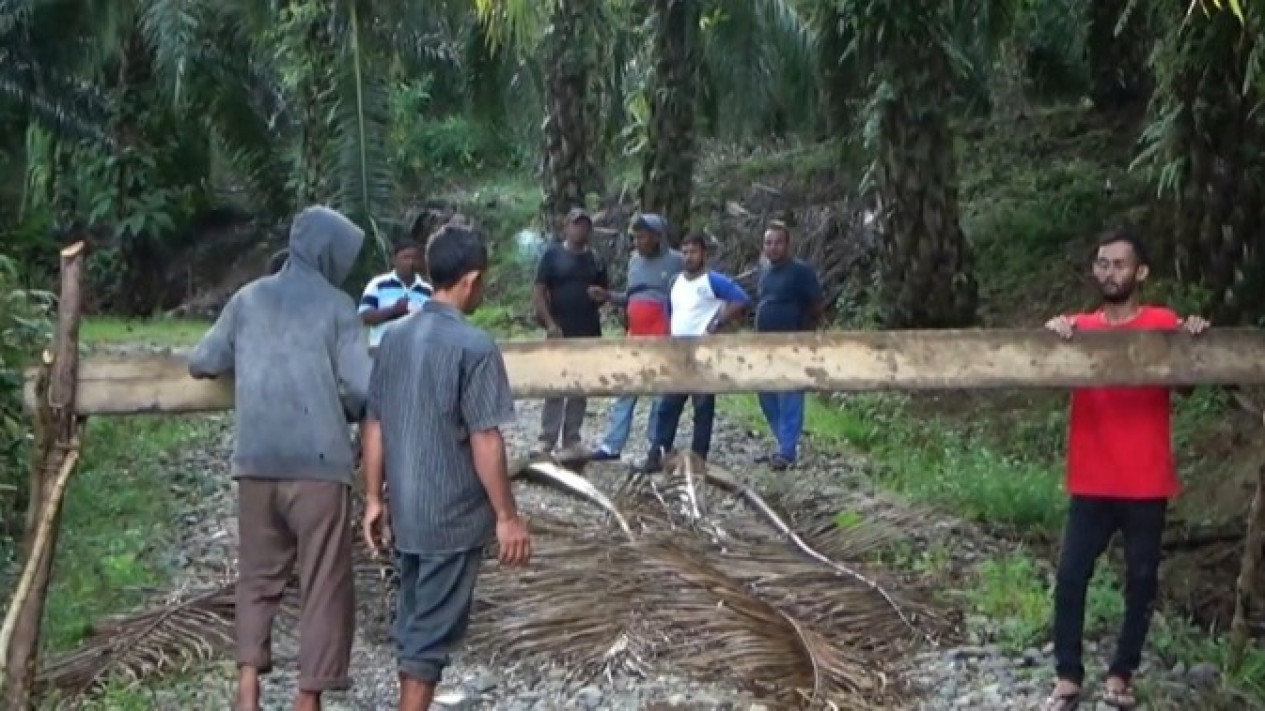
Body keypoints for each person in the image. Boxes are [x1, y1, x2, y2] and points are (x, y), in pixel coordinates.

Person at [188, 205, 371, 711]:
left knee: (257, 577)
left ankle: (248, 687)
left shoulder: (247, 299)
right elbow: (362, 387)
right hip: (320, 467)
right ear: (329, 254)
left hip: (256, 462)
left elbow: (202, 361)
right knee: (324, 581)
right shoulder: (338, 307)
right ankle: (307, 697)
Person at [360, 222, 531, 711]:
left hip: (406, 511)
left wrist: (373, 498)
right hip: (450, 518)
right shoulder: (474, 346)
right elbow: (485, 438)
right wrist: (507, 517)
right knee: (427, 642)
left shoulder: (395, 339)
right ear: (471, 280)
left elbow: (374, 423)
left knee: (415, 625)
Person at [1040, 228, 1209, 711]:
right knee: (1071, 577)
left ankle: (1121, 675)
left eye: (1119, 264)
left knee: (1141, 581)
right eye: (1102, 263)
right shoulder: (1076, 328)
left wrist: (1192, 340)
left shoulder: (1163, 322)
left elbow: (1188, 387)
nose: (1109, 272)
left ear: (1141, 272)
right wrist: (1053, 335)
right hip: (1091, 481)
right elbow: (1042, 366)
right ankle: (1067, 676)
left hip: (1146, 481)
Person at [639, 233, 750, 473]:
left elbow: (740, 299)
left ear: (704, 254)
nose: (689, 257)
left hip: (703, 353)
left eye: (694, 252)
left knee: (703, 408)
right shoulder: (675, 281)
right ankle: (657, 454)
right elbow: (670, 312)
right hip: (679, 352)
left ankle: (699, 458)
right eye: (685, 252)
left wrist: (717, 323)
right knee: (668, 407)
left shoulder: (713, 280)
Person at [588, 213, 684, 461]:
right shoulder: (634, 261)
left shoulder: (677, 261)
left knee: (659, 393)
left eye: (643, 236)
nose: (638, 242)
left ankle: (656, 444)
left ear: (657, 237)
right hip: (635, 335)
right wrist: (608, 296)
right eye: (636, 237)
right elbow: (630, 297)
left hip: (662, 336)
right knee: (626, 389)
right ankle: (612, 445)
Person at [531, 207, 609, 459]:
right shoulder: (552, 255)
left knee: (580, 386)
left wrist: (600, 296)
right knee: (555, 385)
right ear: (566, 227)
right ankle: (546, 439)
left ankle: (572, 438)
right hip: (559, 331)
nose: (580, 229)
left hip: (588, 331)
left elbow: (604, 292)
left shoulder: (595, 259)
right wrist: (549, 323)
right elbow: (539, 291)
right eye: (576, 224)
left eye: (584, 225)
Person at [754, 221, 825, 470]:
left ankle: (787, 451)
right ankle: (783, 442)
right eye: (768, 243)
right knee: (765, 393)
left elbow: (817, 305)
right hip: (765, 345)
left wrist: (804, 333)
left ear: (787, 244)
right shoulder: (765, 272)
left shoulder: (800, 271)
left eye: (778, 242)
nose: (773, 247)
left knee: (789, 394)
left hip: (793, 344)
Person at [359, 240, 433, 353]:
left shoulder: (428, 290)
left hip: (415, 352)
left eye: (415, 258)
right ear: (394, 260)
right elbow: (364, 317)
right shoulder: (378, 284)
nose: (411, 262)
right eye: (406, 257)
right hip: (381, 350)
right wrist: (394, 310)